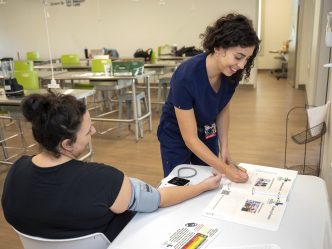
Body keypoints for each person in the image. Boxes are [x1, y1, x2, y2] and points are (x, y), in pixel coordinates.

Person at [1, 91, 221, 242]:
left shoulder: (16, 170)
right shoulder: (103, 180)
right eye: (88, 131)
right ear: (66, 144)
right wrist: (203, 186)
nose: (94, 132)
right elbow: (159, 199)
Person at [157, 13, 260, 181]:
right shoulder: (185, 76)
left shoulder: (231, 73)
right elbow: (190, 138)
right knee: (179, 182)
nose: (241, 65)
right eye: (238, 57)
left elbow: (222, 107)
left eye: (246, 59)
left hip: (206, 130)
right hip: (176, 135)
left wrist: (224, 148)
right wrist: (226, 170)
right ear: (219, 47)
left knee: (209, 179)